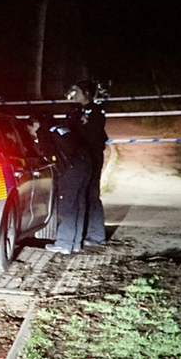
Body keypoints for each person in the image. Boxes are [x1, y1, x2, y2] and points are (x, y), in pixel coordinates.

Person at [27, 114, 93, 255]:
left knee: (67, 207)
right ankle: (76, 243)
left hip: (70, 170)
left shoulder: (43, 132)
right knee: (79, 205)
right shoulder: (60, 127)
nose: (32, 135)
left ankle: (64, 243)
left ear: (35, 124)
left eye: (31, 130)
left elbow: (47, 156)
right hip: (85, 166)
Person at [65, 80, 109, 246]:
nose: (73, 94)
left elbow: (90, 133)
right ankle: (83, 232)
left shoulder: (95, 111)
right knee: (81, 194)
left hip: (91, 156)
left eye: (77, 91)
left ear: (86, 93)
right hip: (80, 157)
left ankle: (96, 235)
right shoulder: (75, 110)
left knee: (91, 193)